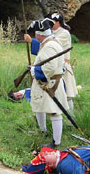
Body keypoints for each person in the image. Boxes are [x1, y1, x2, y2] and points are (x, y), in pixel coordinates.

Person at [27, 18, 69, 148]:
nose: (35, 36)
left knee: (54, 112)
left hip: (50, 84)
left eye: (36, 34)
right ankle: (43, 131)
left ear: (39, 34)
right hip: (47, 83)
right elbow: (41, 51)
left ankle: (56, 142)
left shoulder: (50, 45)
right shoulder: (50, 41)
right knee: (40, 106)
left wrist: (34, 70)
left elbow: (49, 67)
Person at [22, 145, 90, 174]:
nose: (47, 153)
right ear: (49, 165)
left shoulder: (63, 154)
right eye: (45, 156)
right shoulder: (65, 165)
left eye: (45, 152)